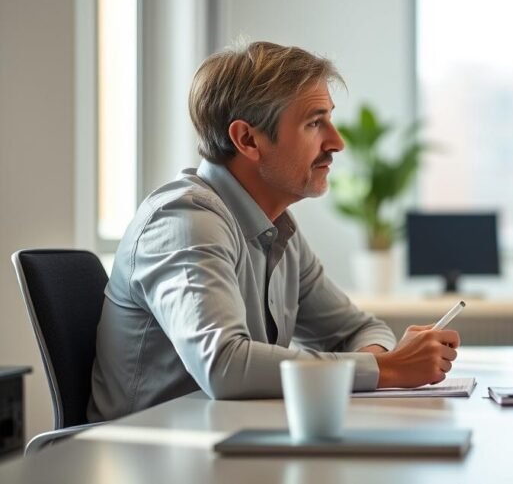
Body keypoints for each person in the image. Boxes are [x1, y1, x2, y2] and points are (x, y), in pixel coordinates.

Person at [88, 42, 459, 421]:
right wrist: (389, 369)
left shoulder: (278, 230)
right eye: (314, 123)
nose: (336, 142)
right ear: (248, 139)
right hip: (149, 461)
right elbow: (224, 365)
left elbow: (358, 329)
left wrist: (376, 363)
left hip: (227, 443)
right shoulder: (184, 219)